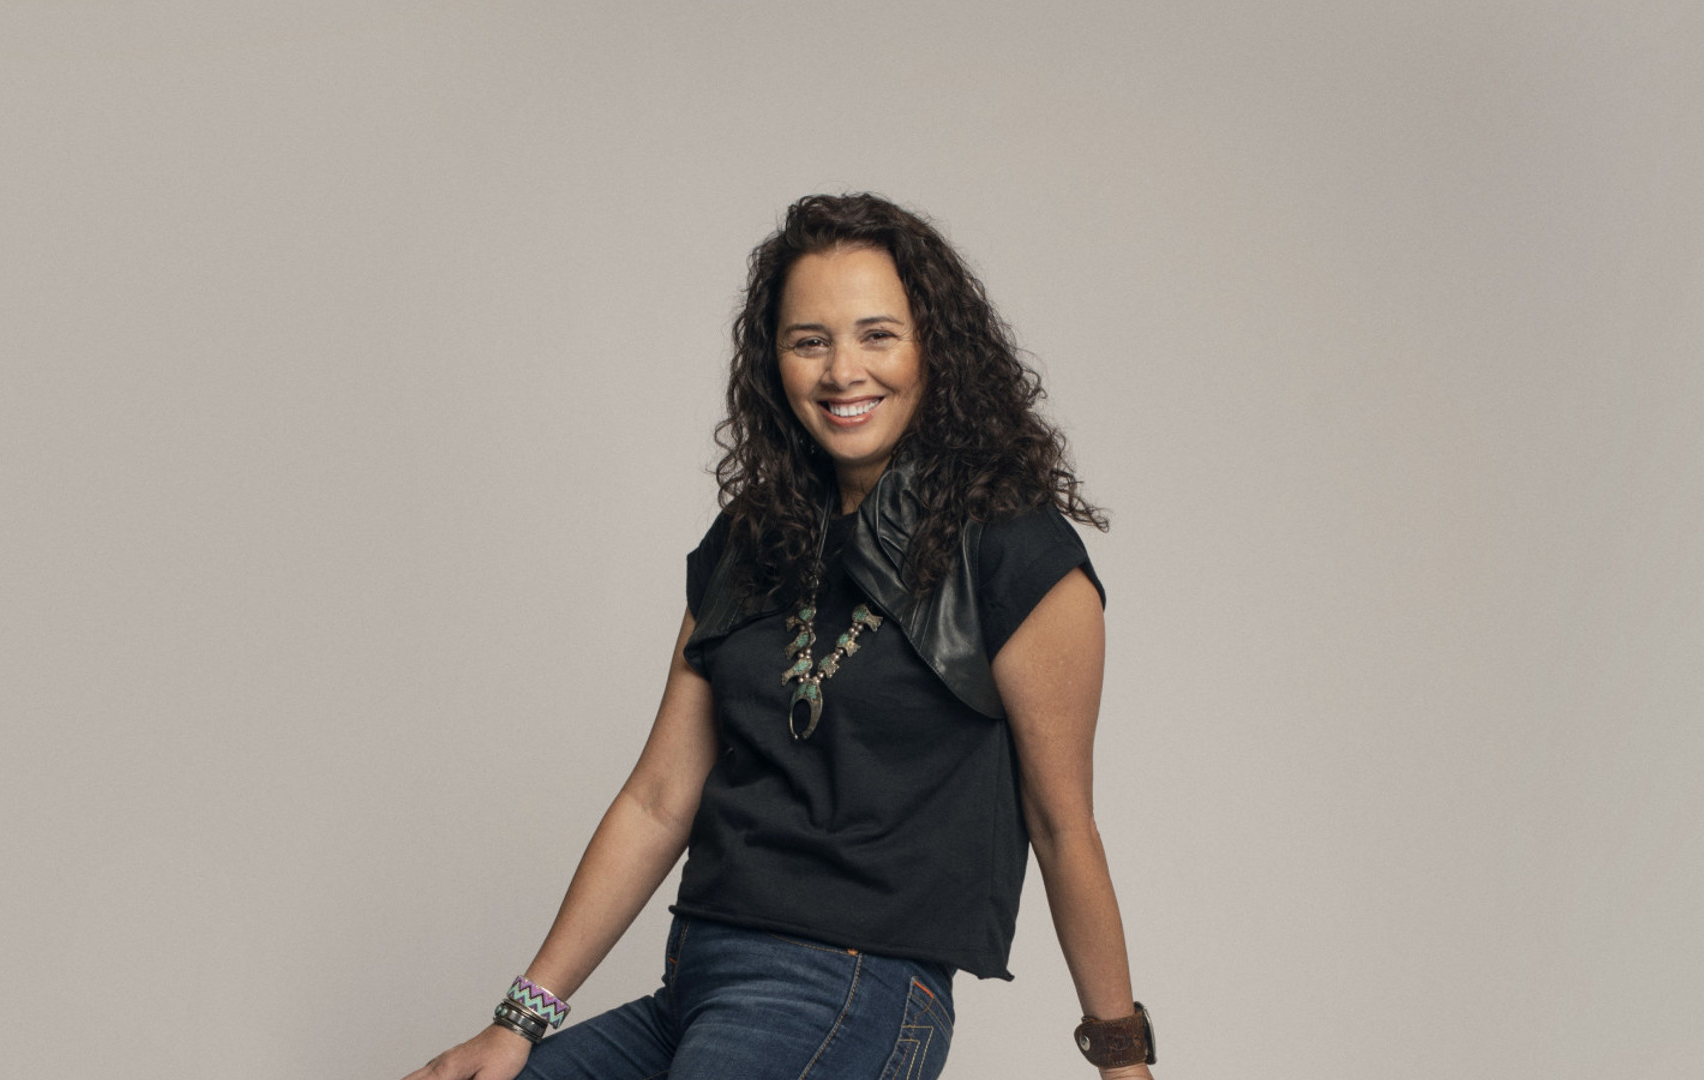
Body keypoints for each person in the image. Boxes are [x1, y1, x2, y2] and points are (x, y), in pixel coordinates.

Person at [404, 193, 1155, 1080]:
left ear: (935, 351)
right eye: (810, 341)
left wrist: (1122, 1059)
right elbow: (656, 800)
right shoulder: (750, 543)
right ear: (775, 362)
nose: (843, 371)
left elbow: (1064, 825)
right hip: (696, 984)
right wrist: (517, 1023)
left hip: (848, 989)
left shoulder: (1020, 555)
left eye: (878, 335)